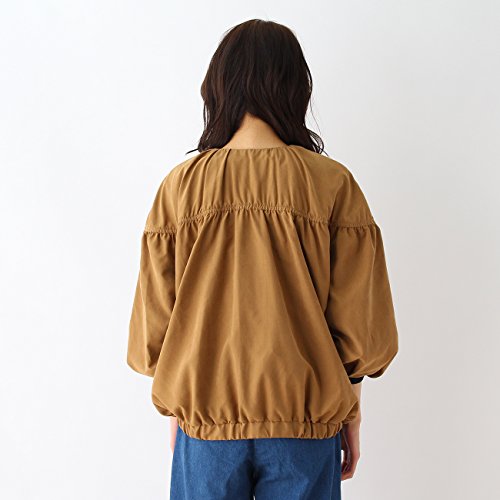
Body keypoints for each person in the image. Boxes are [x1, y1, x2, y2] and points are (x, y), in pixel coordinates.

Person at [127, 18, 399, 500]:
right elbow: (361, 332)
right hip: (304, 430)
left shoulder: (180, 190)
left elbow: (155, 334)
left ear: (218, 88)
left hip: (206, 428)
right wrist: (351, 414)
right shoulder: (332, 185)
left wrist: (181, 411)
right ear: (295, 89)